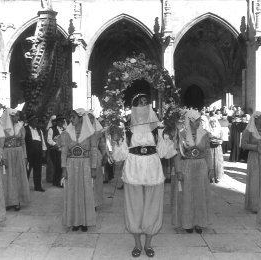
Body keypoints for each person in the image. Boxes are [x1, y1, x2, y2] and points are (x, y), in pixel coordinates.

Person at [111, 94, 174, 258]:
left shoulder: (157, 127)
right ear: (134, 106)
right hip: (133, 168)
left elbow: (163, 152)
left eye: (146, 103)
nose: (143, 106)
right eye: (139, 103)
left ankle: (148, 244)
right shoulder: (126, 127)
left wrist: (168, 138)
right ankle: (137, 244)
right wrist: (117, 142)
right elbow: (120, 155)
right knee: (134, 206)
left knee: (153, 206)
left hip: (153, 168)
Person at [173, 109, 214, 234]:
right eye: (195, 121)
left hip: (201, 165)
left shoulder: (204, 134)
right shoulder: (181, 134)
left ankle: (199, 223)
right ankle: (187, 223)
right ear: (189, 121)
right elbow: (177, 154)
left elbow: (207, 152)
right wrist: (178, 170)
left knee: (200, 194)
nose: (198, 123)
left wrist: (211, 168)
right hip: (187, 166)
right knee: (187, 194)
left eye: (199, 120)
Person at [61, 108, 97, 232]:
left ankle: (85, 221)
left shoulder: (90, 132)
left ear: (81, 118)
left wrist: (93, 167)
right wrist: (63, 168)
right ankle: (74, 221)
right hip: (71, 164)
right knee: (72, 191)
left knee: (85, 191)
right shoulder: (67, 132)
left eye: (73, 117)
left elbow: (93, 150)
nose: (71, 119)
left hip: (85, 164)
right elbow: (64, 150)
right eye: (70, 117)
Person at [0, 109, 30, 211]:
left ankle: (17, 201)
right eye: (16, 116)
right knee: (8, 177)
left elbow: (23, 143)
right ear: (10, 117)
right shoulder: (3, 129)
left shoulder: (20, 127)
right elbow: (0, 146)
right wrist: (2, 157)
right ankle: (8, 201)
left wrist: (25, 156)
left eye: (18, 116)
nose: (18, 118)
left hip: (19, 153)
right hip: (7, 154)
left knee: (18, 176)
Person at [241, 111, 261, 213]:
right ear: (255, 119)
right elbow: (243, 145)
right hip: (254, 157)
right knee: (255, 179)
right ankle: (255, 205)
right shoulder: (248, 131)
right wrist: (256, 147)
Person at [87, 110, 106, 208]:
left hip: (96, 156)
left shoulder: (98, 132)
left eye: (91, 118)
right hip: (84, 157)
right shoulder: (81, 131)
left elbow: (102, 144)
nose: (90, 120)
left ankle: (94, 203)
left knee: (95, 180)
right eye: (88, 118)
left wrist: (104, 155)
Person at [25, 114, 47, 192]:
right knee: (27, 171)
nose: (36, 122)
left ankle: (38, 186)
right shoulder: (25, 129)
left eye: (36, 121)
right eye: (34, 121)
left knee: (38, 170)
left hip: (38, 153)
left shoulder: (39, 130)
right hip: (29, 154)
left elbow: (42, 141)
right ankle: (25, 188)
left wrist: (44, 150)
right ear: (30, 121)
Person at [47, 114, 65, 187]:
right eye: (60, 121)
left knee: (61, 166)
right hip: (55, 150)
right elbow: (49, 139)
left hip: (63, 150)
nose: (61, 123)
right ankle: (57, 182)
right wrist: (55, 144)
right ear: (57, 122)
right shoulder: (51, 129)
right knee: (57, 165)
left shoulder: (64, 129)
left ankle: (58, 181)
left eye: (62, 121)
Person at [208, 116, 224, 182]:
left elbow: (222, 139)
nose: (213, 124)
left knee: (217, 162)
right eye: (211, 122)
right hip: (210, 148)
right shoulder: (208, 131)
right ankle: (210, 177)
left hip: (217, 148)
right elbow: (206, 140)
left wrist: (220, 141)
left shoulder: (219, 130)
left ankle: (217, 177)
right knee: (210, 162)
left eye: (214, 122)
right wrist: (210, 141)